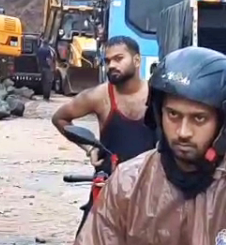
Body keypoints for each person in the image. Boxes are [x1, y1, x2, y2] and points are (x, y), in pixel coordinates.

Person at [75, 46, 226, 245]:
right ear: (159, 114)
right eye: (173, 115)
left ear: (225, 123)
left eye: (198, 118)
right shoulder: (128, 184)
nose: (183, 132)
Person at [51, 36, 156, 235]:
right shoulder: (99, 97)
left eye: (118, 59)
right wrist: (90, 148)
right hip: (107, 192)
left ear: (137, 60)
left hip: (150, 194)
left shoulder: (159, 96)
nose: (111, 65)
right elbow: (60, 118)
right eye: (107, 61)